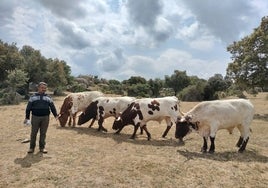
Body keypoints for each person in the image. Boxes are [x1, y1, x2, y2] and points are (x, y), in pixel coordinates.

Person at [24, 82, 58, 154]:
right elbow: (28, 108)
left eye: (45, 88)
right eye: (42, 88)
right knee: (34, 133)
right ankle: (31, 148)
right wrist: (27, 117)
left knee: (43, 133)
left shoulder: (48, 97)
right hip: (35, 117)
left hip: (45, 118)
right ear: (38, 88)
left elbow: (52, 107)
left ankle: (42, 148)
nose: (44, 89)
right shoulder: (32, 97)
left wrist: (56, 115)